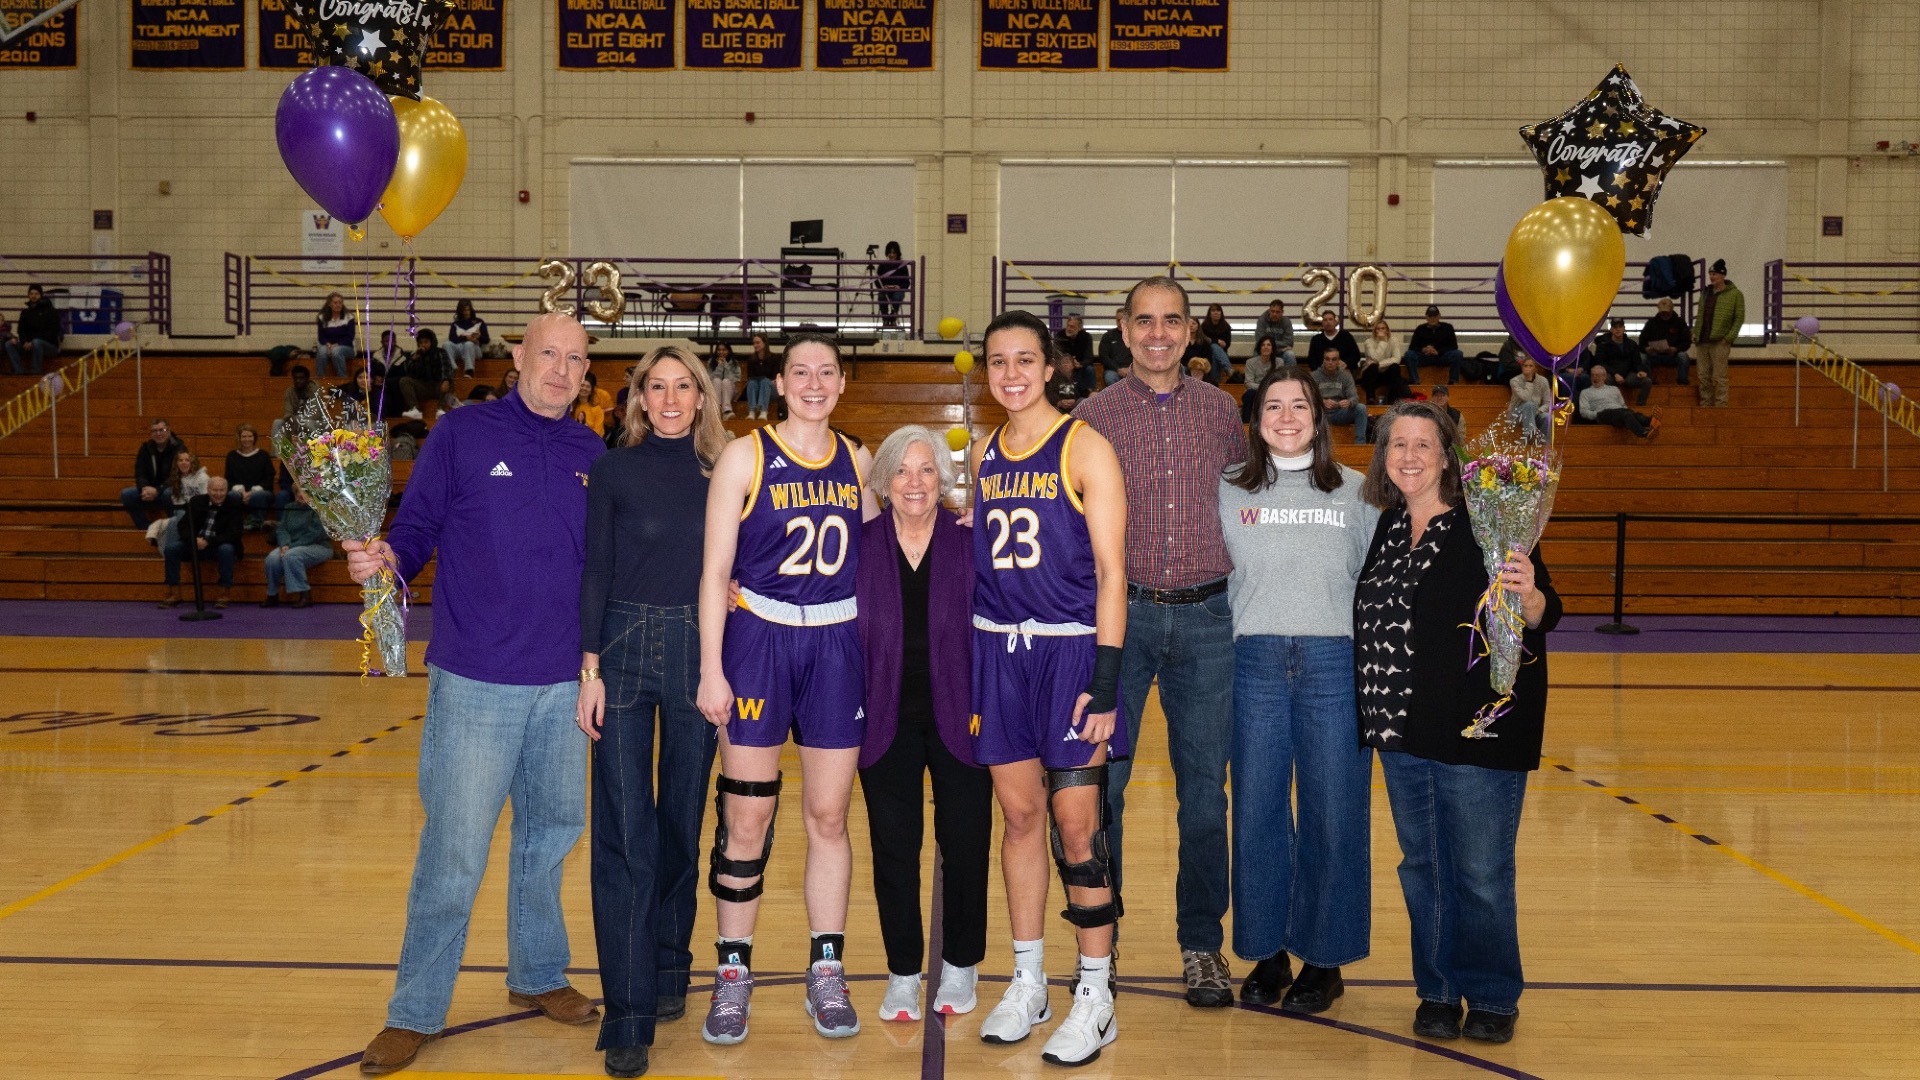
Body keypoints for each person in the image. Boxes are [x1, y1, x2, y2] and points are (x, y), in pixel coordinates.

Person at [345, 313, 607, 1077]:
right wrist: (384, 558)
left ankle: (537, 973)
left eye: (576, 359)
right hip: (474, 682)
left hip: (566, 682)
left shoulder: (595, 451)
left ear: (588, 372)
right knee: (454, 852)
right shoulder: (461, 434)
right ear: (518, 357)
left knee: (550, 837)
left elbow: (608, 566)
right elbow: (419, 529)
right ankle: (414, 1011)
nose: (560, 370)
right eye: (548, 354)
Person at [1355, 400, 1563, 1046]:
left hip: (1479, 730)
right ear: (1384, 458)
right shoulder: (1387, 526)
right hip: (1405, 732)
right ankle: (1439, 990)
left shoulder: (1491, 519)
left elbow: (1542, 613)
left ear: (1448, 456)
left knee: (1479, 872)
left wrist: (1527, 591)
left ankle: (1494, 994)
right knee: (1423, 868)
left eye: (1423, 445)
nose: (1410, 456)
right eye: (1397, 446)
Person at [695, 332, 875, 1046]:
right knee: (747, 821)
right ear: (779, 381)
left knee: (829, 817)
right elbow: (714, 573)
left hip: (836, 645)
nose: (813, 382)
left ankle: (826, 968)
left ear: (839, 384)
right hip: (758, 641)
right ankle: (732, 974)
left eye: (826, 372)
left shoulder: (857, 460)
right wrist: (713, 668)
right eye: (800, 370)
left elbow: (883, 558)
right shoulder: (745, 454)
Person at [1074, 276, 1244, 1010]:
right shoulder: (1090, 417)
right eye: (1144, 321)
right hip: (1123, 624)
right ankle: (1098, 949)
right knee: (1099, 792)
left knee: (1205, 798)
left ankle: (1202, 945)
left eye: (1171, 321)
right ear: (1122, 328)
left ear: (1189, 332)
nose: (1157, 333)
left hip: (1209, 623)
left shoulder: (1226, 414)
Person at [967, 311, 1128, 1066]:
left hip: (1068, 655)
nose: (1011, 373)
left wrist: (1105, 681)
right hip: (999, 653)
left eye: (1024, 359)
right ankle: (1028, 977)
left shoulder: (1086, 446)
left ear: (1052, 365)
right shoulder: (986, 451)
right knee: (1020, 818)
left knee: (1077, 830)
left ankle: (1095, 993)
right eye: (998, 361)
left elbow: (1112, 573)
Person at [576, 346, 730, 1079]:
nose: (669, 399)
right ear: (637, 398)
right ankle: (628, 1013)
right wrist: (590, 668)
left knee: (681, 823)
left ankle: (671, 965)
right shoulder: (613, 470)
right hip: (624, 651)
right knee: (623, 830)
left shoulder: (728, 471)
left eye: (683, 387)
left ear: (702, 397)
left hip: (700, 654)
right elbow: (596, 570)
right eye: (655, 387)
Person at [1219, 368, 1380, 1013]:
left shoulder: (1359, 491)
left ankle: (1325, 958)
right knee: (1256, 811)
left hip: (1334, 665)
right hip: (1253, 662)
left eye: (1300, 405)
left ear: (1320, 416)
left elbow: (1382, 581)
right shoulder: (1227, 489)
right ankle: (1266, 952)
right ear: (1256, 418)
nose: (1287, 416)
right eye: (1274, 406)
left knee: (1333, 813)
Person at [856, 426, 992, 1025]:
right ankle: (903, 972)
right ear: (885, 482)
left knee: (965, 843)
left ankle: (962, 964)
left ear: (944, 480)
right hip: (882, 719)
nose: (915, 482)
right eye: (903, 471)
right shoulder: (860, 544)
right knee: (894, 849)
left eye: (928, 470)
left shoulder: (970, 540)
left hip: (961, 716)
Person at [161, 476, 244, 609]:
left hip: (217, 545)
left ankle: (224, 593)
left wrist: (208, 541)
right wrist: (193, 540)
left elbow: (234, 534)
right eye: (214, 490)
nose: (218, 494)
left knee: (227, 549)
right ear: (208, 490)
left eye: (222, 490)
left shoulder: (234, 504)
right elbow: (183, 526)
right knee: (171, 549)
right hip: (194, 543)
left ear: (227, 490)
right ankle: (174, 593)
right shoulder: (196, 501)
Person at [261, 487, 332, 609]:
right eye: (299, 492)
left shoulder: (319, 508)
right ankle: (272, 594)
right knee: (271, 559)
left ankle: (305, 595)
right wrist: (284, 545)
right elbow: (282, 529)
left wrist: (289, 547)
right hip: (289, 546)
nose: (301, 495)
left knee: (292, 555)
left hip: (319, 546)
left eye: (305, 491)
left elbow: (315, 534)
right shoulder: (289, 507)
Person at [121, 418, 185, 530]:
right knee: (126, 494)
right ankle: (147, 529)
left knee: (168, 494)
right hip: (149, 490)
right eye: (155, 431)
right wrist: (144, 488)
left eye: (162, 430)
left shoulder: (179, 447)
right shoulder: (146, 448)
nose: (158, 433)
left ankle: (176, 528)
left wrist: (158, 490)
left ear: (169, 431)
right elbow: (140, 473)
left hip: (169, 489)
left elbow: (177, 475)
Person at [1696, 258, 1743, 407]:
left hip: (1720, 341)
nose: (1712, 277)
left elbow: (1739, 318)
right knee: (1703, 376)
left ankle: (1721, 406)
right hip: (1703, 340)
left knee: (1719, 376)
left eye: (1715, 274)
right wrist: (1696, 332)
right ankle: (1706, 404)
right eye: (1710, 274)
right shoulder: (1706, 293)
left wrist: (1729, 338)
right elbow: (1700, 315)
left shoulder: (1735, 294)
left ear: (1723, 275)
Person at [1578, 365, 1659, 439]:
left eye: (1597, 375)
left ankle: (1650, 421)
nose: (1595, 377)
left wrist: (1624, 410)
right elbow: (1583, 411)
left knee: (1629, 413)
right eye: (1593, 375)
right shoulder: (1585, 392)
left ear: (1604, 377)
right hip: (1602, 413)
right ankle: (1644, 431)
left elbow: (1623, 405)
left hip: (1619, 412)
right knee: (1626, 414)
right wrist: (1596, 414)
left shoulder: (1614, 389)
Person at [1585, 319, 1651, 405]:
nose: (1618, 329)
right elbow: (1600, 362)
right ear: (1611, 330)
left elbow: (1637, 362)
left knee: (1647, 381)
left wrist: (1640, 371)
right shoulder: (1603, 344)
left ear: (1624, 328)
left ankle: (1640, 405)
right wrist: (1615, 374)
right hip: (1610, 375)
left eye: (1620, 327)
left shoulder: (1632, 344)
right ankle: (1604, 405)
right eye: (1615, 327)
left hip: (1628, 375)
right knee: (1600, 378)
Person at [1311, 348, 1369, 444]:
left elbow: (1354, 397)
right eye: (1327, 359)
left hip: (1339, 412)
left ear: (1339, 361)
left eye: (1334, 359)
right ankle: (1311, 444)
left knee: (1361, 408)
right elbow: (1308, 397)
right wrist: (1322, 402)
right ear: (1323, 360)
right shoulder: (1314, 376)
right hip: (1321, 414)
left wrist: (1349, 402)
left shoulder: (1346, 376)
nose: (1330, 362)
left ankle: (1360, 444)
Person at [396, 330, 457, 420]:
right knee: (404, 380)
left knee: (450, 382)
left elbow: (447, 368)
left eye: (426, 342)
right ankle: (414, 409)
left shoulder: (440, 352)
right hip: (423, 387)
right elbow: (409, 373)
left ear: (431, 342)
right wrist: (414, 360)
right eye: (420, 342)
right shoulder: (416, 355)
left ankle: (441, 409)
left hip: (438, 386)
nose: (423, 345)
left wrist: (446, 380)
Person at [225, 423, 276, 525]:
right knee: (231, 495)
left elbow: (269, 478)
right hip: (239, 492)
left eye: (250, 436)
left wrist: (252, 492)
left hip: (262, 492)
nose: (247, 439)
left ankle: (257, 523)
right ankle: (235, 523)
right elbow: (228, 479)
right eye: (244, 436)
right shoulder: (232, 456)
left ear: (254, 438)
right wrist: (241, 491)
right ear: (239, 438)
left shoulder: (263, 455)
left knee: (258, 495)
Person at [6, 284, 60, 375]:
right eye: (31, 293)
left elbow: (52, 332)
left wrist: (33, 341)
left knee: (37, 342)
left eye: (36, 293)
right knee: (9, 344)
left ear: (41, 295)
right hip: (30, 345)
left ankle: (35, 371)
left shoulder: (51, 311)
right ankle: (19, 370)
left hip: (50, 347)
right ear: (28, 295)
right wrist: (24, 342)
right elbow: (21, 330)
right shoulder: (25, 312)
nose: (33, 296)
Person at [1404, 305, 1463, 384]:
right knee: (1409, 355)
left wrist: (1438, 351)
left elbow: (1453, 346)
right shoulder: (1420, 329)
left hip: (1441, 357)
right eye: (1430, 316)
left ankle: (1453, 381)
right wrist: (1424, 349)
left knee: (1457, 354)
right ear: (1426, 317)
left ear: (1439, 316)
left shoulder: (1448, 328)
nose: (1432, 318)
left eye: (1435, 316)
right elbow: (1412, 347)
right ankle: (1415, 381)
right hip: (1425, 357)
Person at [1639, 298, 1693, 385]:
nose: (1664, 314)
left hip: (1673, 356)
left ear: (1672, 310)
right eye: (1662, 312)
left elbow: (1686, 342)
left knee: (1683, 356)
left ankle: (1682, 382)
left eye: (1666, 312)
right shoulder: (1651, 323)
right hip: (1654, 356)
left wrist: (1676, 349)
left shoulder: (1680, 322)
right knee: (1642, 357)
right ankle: (1649, 381)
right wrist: (1646, 349)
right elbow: (1641, 342)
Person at [1357, 320, 1411, 404]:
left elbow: (1397, 359)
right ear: (1374, 331)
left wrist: (1379, 364)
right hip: (1372, 375)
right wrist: (1383, 341)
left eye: (1383, 328)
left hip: (1387, 372)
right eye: (1378, 329)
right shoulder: (1368, 342)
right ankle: (1370, 398)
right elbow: (1375, 357)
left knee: (1395, 367)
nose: (1381, 331)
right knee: (1372, 367)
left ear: (1387, 330)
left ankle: (1392, 398)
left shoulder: (1394, 340)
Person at [1507, 357, 1554, 441]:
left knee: (1547, 417)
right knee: (1530, 404)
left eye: (1531, 366)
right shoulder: (1515, 381)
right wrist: (1529, 380)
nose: (1527, 368)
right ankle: (1530, 434)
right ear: (1522, 367)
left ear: (1536, 368)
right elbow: (1526, 398)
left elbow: (1548, 402)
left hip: (1535, 412)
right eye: (1525, 366)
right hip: (1516, 414)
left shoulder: (1543, 381)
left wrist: (1539, 410)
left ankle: (1544, 445)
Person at [1240, 336, 1281, 423]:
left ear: (1272, 348)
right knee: (1249, 394)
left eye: (1268, 345)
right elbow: (1248, 383)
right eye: (1263, 345)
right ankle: (1246, 424)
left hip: (1273, 391)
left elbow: (1279, 382)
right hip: (1255, 391)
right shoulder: (1250, 362)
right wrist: (1264, 386)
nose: (1266, 347)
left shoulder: (1279, 362)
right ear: (1259, 348)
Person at [315, 293, 355, 379]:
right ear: (329, 304)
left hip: (347, 347)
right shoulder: (322, 318)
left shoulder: (349, 317)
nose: (338, 305)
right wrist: (328, 344)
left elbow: (350, 337)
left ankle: (342, 377)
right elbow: (321, 337)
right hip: (328, 346)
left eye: (340, 302)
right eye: (335, 303)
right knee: (322, 351)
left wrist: (336, 345)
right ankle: (320, 378)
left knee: (336, 351)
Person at [1055, 313, 1095, 396]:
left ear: (1079, 328)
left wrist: (1080, 364)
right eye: (1068, 326)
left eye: (1072, 327)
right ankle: (1057, 396)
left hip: (1080, 365)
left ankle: (1090, 393)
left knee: (1090, 369)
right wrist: (1068, 362)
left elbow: (1089, 358)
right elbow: (1056, 354)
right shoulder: (1060, 335)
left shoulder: (1087, 337)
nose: (1069, 329)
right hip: (1063, 365)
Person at [741, 332, 779, 420]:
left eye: (758, 343)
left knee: (765, 381)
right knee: (751, 383)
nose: (755, 345)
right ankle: (752, 411)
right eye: (754, 343)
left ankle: (763, 411)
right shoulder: (751, 360)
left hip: (771, 389)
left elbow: (775, 377)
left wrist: (765, 380)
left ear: (765, 343)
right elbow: (750, 377)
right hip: (757, 388)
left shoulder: (775, 358)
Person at [447, 300, 490, 376]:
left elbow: (486, 340)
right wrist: (466, 338)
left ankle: (469, 371)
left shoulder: (479, 322)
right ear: (460, 311)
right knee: (446, 344)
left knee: (468, 344)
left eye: (468, 310)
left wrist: (479, 337)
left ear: (471, 310)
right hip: (460, 348)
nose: (466, 312)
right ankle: (453, 368)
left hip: (474, 348)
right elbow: (451, 338)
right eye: (464, 310)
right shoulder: (455, 324)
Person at [877, 241, 912, 329]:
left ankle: (893, 318)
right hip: (885, 290)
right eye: (890, 252)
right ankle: (885, 318)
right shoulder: (882, 265)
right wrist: (882, 287)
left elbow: (906, 282)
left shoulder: (903, 266)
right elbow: (877, 280)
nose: (891, 255)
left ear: (897, 253)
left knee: (897, 297)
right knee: (881, 296)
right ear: (887, 253)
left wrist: (899, 287)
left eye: (894, 252)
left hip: (898, 290)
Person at [1252, 298, 1295, 366]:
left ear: (1282, 312)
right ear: (1269, 311)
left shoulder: (1287, 322)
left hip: (1280, 353)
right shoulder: (1262, 320)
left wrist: (1270, 344)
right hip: (1265, 350)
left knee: (1290, 355)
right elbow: (1260, 341)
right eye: (1272, 311)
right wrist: (1280, 348)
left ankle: (1289, 376)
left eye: (1277, 312)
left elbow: (1289, 342)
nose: (1274, 314)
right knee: (1256, 355)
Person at [1096, 307, 1130, 386]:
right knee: (1110, 377)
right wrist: (1118, 369)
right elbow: (1103, 356)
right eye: (1118, 320)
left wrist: (1130, 369)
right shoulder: (1108, 336)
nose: (1120, 322)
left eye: (1122, 320)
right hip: (1113, 370)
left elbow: (1139, 355)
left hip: (1132, 370)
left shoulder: (1135, 336)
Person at [709, 342, 741, 420]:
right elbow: (710, 379)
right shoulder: (711, 362)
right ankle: (717, 409)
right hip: (716, 389)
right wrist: (719, 366)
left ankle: (727, 411)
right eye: (719, 350)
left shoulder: (734, 363)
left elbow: (733, 379)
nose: (721, 352)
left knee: (726, 381)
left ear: (728, 351)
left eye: (724, 350)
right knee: (716, 380)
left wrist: (725, 365)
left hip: (731, 391)